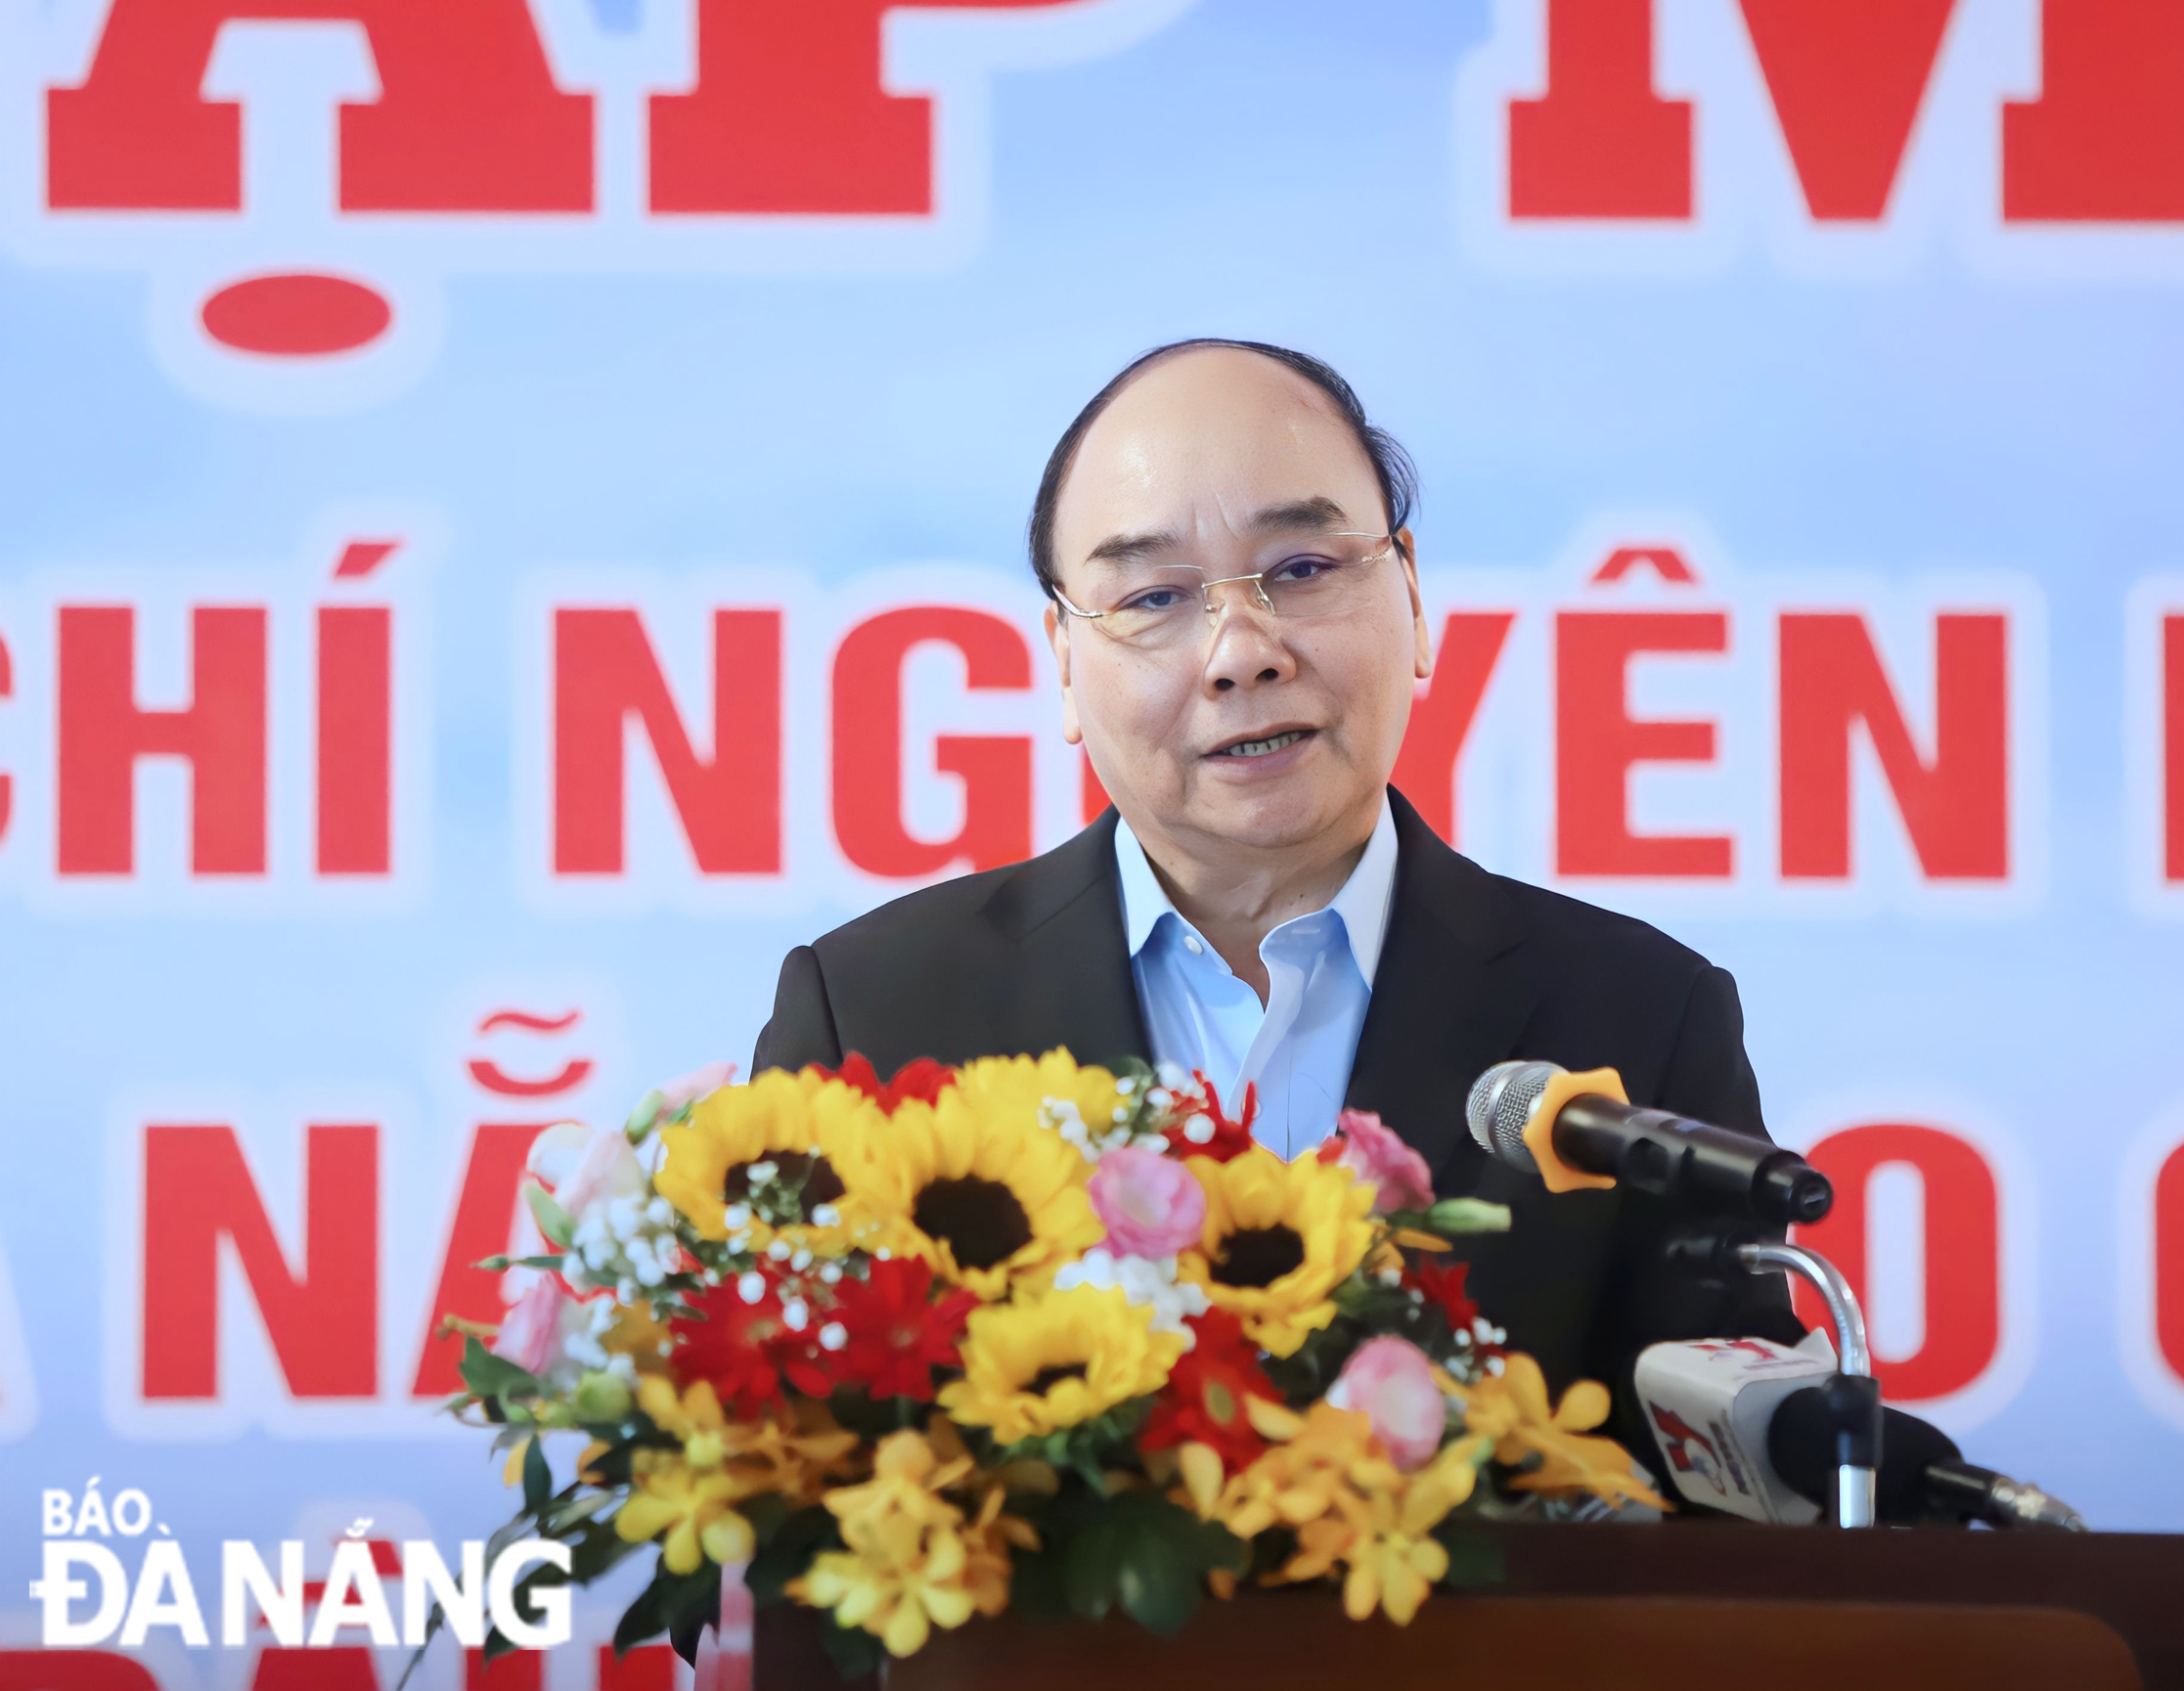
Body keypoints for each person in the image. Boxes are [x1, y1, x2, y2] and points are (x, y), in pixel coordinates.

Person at [753, 338, 1801, 1468]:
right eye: (1154, 595)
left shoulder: (1641, 1018)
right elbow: (771, 1489)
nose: (1241, 653)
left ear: (1410, 591)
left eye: (1301, 569)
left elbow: (1738, 1504)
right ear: (1061, 660)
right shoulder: (875, 1018)